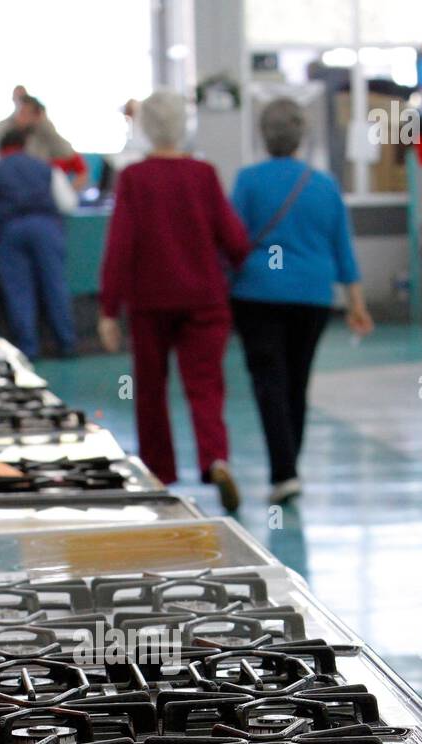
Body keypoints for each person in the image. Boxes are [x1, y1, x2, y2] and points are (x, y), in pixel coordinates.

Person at [98, 90, 251, 509]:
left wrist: (109, 310)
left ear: (144, 127)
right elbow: (233, 239)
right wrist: (246, 255)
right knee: (205, 386)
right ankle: (215, 458)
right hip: (204, 299)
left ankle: (159, 475)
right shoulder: (204, 174)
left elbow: (120, 246)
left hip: (150, 301)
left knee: (150, 389)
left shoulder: (133, 179)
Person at [230, 98, 373, 504]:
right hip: (312, 297)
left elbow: (232, 240)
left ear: (263, 135)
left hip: (256, 294)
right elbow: (343, 248)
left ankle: (285, 471)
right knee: (297, 380)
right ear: (300, 137)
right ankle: (290, 465)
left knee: (268, 381)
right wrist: (357, 304)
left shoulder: (248, 181)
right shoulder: (324, 184)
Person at [0, 127, 78, 360]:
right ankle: (66, 343)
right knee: (55, 285)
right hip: (47, 229)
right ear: (25, 145)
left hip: (10, 233)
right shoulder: (46, 168)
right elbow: (68, 203)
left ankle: (28, 349)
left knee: (19, 290)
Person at [0, 93, 85, 187]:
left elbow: (67, 153)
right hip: (4, 197)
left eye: (31, 113)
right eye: (22, 112)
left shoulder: (42, 133)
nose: (25, 117)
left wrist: (45, 124)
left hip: (38, 197)